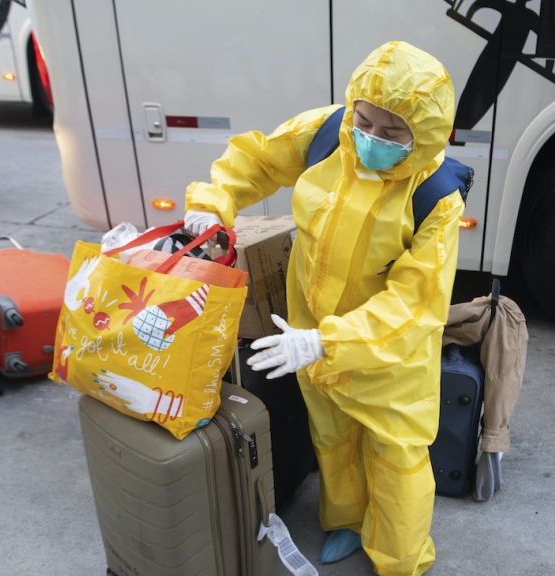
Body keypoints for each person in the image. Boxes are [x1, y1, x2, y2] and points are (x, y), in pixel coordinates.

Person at [182, 41, 462, 576]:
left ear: (423, 136)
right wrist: (211, 202)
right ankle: (346, 523)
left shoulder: (435, 198)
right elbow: (256, 159)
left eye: (391, 132)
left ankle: (402, 562)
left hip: (387, 358)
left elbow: (415, 304)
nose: (371, 138)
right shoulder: (326, 134)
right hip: (307, 334)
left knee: (396, 459)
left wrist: (324, 342)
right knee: (332, 438)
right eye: (365, 120)